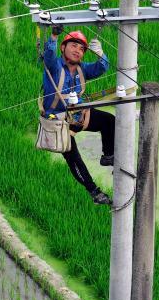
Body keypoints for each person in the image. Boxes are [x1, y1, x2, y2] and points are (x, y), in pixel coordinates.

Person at [42, 26, 115, 205]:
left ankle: (108, 155)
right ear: (63, 48)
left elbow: (100, 68)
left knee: (109, 121)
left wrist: (101, 54)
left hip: (78, 116)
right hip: (57, 121)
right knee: (74, 159)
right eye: (74, 46)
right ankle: (94, 191)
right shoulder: (55, 67)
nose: (78, 51)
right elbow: (49, 56)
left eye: (82, 48)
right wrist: (53, 36)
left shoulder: (83, 69)